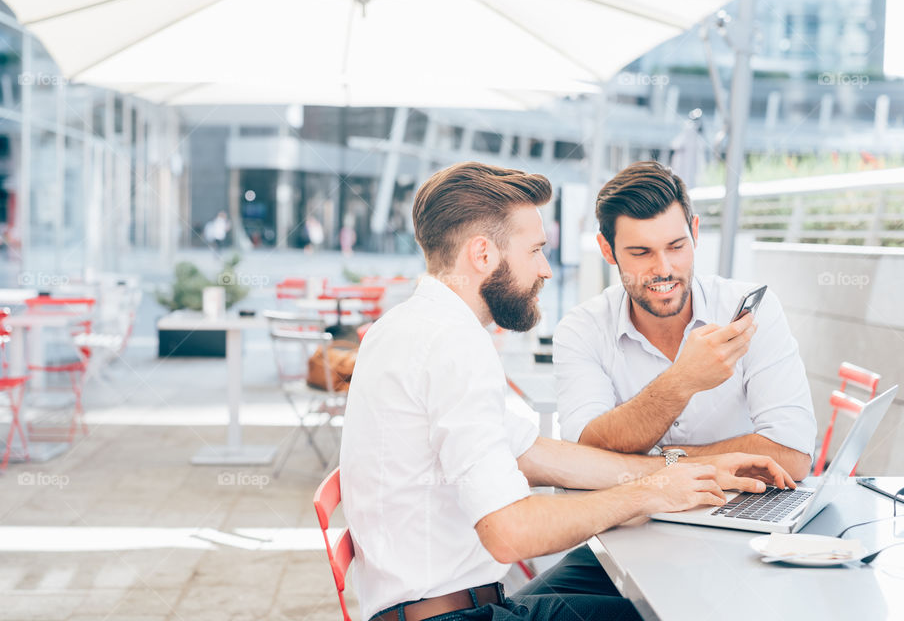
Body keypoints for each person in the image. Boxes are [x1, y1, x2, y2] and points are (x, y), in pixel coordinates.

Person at [340, 162, 794, 621]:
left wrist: (694, 469)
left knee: (640, 596)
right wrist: (651, 491)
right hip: (452, 616)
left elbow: (539, 456)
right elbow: (510, 533)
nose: (545, 269)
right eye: (535, 250)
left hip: (451, 605)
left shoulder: (410, 326)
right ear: (482, 254)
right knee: (685, 609)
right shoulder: (451, 343)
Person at [554, 161, 816, 480]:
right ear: (607, 250)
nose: (664, 268)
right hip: (634, 519)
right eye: (641, 252)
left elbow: (793, 455)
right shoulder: (582, 330)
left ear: (694, 232)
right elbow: (583, 454)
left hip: (740, 515)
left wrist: (663, 461)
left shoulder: (753, 311)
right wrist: (684, 379)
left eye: (676, 246)